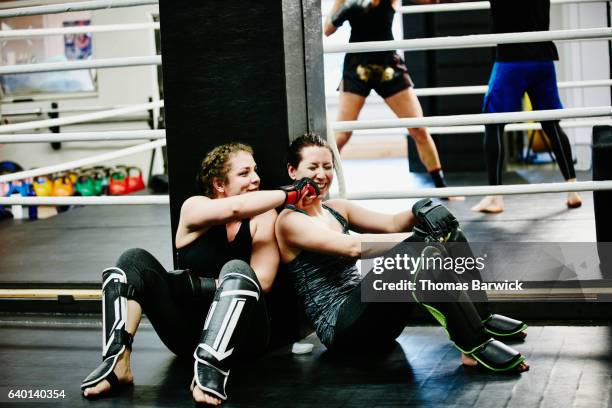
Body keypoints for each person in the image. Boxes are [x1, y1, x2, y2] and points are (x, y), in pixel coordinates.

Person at [80, 143, 318, 405]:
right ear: (219, 184)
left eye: (255, 170)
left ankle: (211, 369)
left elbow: (263, 281)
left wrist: (192, 286)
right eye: (244, 173)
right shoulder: (195, 207)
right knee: (132, 259)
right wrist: (292, 193)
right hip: (186, 335)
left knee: (237, 269)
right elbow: (235, 208)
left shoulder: (264, 215)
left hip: (244, 338)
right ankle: (117, 362)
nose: (256, 178)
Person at [275, 133, 530, 373]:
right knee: (417, 252)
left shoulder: (336, 208)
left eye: (327, 166)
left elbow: (393, 224)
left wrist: (420, 210)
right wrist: (419, 240)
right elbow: (352, 247)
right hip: (342, 328)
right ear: (292, 170)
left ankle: (481, 318)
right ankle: (473, 347)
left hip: (377, 322)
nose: (322, 174)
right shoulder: (290, 222)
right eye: (312, 167)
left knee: (448, 231)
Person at [324, 0, 461, 196]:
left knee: (418, 128)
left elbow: (428, 0)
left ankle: (442, 187)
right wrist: (346, 10)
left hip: (387, 64)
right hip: (357, 66)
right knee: (343, 133)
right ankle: (316, 184)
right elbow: (327, 29)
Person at [472, 0, 582, 213]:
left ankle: (495, 197)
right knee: (552, 125)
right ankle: (573, 189)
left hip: (512, 59)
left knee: (492, 122)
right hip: (542, 59)